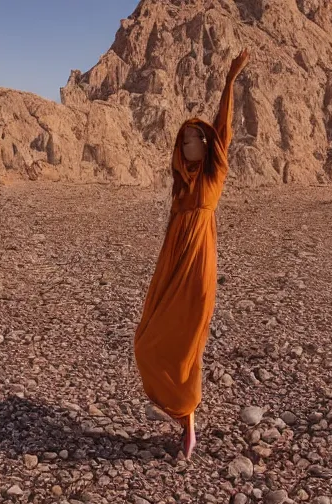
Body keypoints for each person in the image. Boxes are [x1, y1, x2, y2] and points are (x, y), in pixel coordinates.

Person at [133, 48, 250, 458]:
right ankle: (182, 413)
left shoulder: (213, 177)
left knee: (188, 348)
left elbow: (223, 129)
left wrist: (229, 82)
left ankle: (189, 420)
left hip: (199, 266)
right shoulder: (182, 186)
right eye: (184, 139)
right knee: (145, 343)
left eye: (196, 138)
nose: (191, 143)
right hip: (172, 264)